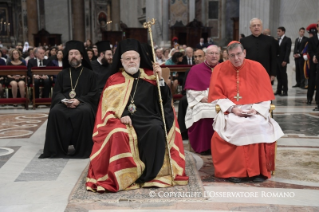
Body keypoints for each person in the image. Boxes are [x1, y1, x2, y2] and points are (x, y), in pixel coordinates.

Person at [86, 38, 188, 192]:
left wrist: (160, 78)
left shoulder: (150, 76)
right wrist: (122, 114)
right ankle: (124, 176)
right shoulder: (114, 79)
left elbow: (164, 100)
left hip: (148, 117)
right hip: (123, 119)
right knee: (118, 132)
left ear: (140, 59)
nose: (131, 61)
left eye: (134, 58)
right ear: (121, 60)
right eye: (128, 58)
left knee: (155, 128)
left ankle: (150, 174)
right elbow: (108, 107)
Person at [208, 41, 284, 183]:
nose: (236, 58)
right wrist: (232, 108)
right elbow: (217, 96)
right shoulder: (219, 69)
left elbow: (266, 97)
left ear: (244, 53)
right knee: (237, 126)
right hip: (230, 110)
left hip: (254, 109)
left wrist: (256, 109)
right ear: (227, 56)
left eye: (238, 54)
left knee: (258, 125)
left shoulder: (257, 67)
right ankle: (236, 172)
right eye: (232, 56)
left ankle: (257, 171)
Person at [39, 40, 98, 158]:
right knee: (56, 111)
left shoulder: (91, 74)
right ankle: (56, 150)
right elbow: (57, 92)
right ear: (68, 57)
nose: (73, 56)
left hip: (83, 103)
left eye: (76, 53)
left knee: (84, 112)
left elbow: (95, 93)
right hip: (64, 103)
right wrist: (64, 101)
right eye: (71, 54)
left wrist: (79, 100)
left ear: (81, 56)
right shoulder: (62, 74)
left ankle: (83, 150)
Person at [184, 45, 219, 154]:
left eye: (216, 53)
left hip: (221, 100)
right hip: (201, 99)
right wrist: (201, 98)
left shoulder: (225, 68)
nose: (214, 56)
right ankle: (204, 147)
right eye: (211, 53)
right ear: (206, 56)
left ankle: (222, 146)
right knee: (203, 112)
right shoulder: (195, 69)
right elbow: (190, 89)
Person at [177, 49, 205, 140]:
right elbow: (185, 88)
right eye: (195, 57)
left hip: (206, 95)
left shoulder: (210, 69)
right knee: (183, 101)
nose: (197, 59)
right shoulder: (190, 71)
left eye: (200, 56)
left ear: (205, 57)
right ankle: (183, 131)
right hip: (192, 95)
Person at [240, 18, 277, 84]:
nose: (256, 27)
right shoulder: (244, 41)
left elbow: (273, 57)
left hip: (265, 71)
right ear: (250, 28)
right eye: (254, 26)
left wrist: (273, 73)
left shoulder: (270, 40)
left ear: (261, 27)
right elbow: (242, 58)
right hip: (249, 72)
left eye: (258, 25)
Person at [276, 26, 292, 96]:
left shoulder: (287, 39)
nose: (278, 32)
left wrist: (285, 60)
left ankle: (285, 91)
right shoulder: (278, 40)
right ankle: (279, 90)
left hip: (283, 60)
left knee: (283, 76)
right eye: (277, 31)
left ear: (283, 32)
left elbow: (287, 51)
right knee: (278, 76)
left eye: (279, 31)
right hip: (278, 60)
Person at [306, 23, 318, 106]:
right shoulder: (311, 39)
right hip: (314, 62)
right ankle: (309, 98)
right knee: (312, 81)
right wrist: (314, 56)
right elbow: (309, 50)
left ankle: (318, 100)